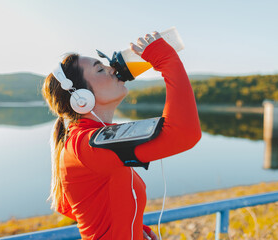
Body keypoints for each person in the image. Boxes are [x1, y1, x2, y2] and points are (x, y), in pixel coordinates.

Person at [42, 31, 201, 240]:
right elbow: (183, 134)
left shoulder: (85, 139)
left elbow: (68, 205)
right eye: (100, 69)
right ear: (81, 98)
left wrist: (133, 228)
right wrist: (167, 61)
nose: (112, 69)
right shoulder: (86, 144)